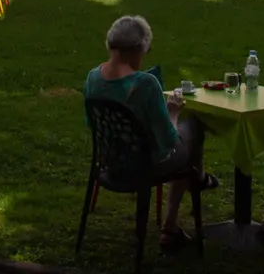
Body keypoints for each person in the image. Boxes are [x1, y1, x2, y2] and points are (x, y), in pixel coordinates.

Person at [84, 15, 216, 251]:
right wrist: (172, 112)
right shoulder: (146, 84)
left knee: (187, 140)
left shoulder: (93, 77)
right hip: (143, 166)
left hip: (109, 163)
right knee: (193, 127)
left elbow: (92, 123)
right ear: (139, 48)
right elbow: (168, 144)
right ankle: (172, 223)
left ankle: (196, 181)